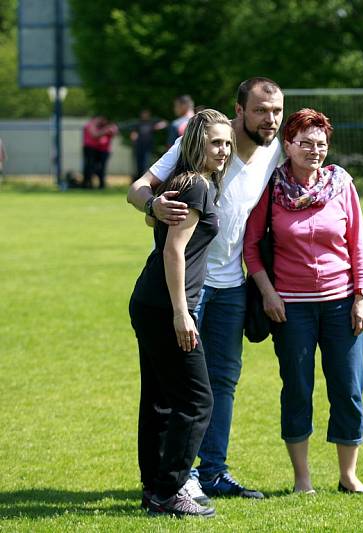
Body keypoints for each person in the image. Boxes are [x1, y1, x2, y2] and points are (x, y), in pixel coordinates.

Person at [127, 78, 284, 502]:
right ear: (239, 111)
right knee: (175, 391)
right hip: (188, 287)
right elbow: (139, 187)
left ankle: (210, 472)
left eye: (276, 111)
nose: (270, 120)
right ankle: (174, 480)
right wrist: (151, 205)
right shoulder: (202, 140)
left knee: (222, 382)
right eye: (260, 111)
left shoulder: (276, 150)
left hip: (232, 284)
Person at [243, 108, 363, 496]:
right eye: (305, 143)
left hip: (341, 305)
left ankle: (349, 477)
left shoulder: (341, 185)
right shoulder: (272, 189)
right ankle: (303, 481)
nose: (314, 150)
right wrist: (269, 293)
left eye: (320, 144)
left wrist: (362, 297)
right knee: (298, 389)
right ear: (288, 145)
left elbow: (358, 246)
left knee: (348, 388)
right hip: (291, 308)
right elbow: (251, 249)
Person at [129, 109, 233, 517]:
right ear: (196, 145)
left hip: (151, 300)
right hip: (166, 305)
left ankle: (154, 488)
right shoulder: (196, 185)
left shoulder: (190, 182)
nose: (223, 150)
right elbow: (173, 251)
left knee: (159, 400)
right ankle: (170, 491)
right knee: (197, 401)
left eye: (227, 143)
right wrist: (181, 312)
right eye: (215, 143)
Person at [130, 109, 167, 183]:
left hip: (148, 147)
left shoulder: (152, 122)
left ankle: (144, 180)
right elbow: (133, 133)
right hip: (139, 147)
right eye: (143, 113)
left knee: (145, 164)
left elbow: (165, 123)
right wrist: (133, 136)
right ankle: (138, 180)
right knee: (138, 165)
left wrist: (157, 126)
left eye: (146, 113)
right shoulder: (138, 123)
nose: (144, 115)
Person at [82, 115, 118, 189]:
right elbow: (95, 135)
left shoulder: (102, 126)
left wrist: (112, 128)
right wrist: (106, 130)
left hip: (99, 150)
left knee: (99, 168)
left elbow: (114, 133)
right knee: (89, 167)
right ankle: (87, 184)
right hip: (90, 149)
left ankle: (99, 184)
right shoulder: (91, 125)